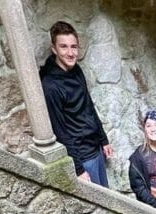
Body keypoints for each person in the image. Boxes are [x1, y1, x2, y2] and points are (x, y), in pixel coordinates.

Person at [39, 21, 113, 186]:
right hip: (82, 157)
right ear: (54, 49)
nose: (71, 53)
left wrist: (103, 139)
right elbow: (60, 130)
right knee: (99, 206)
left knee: (108, 197)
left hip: (95, 149)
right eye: (64, 47)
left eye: (74, 47)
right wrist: (78, 168)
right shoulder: (50, 86)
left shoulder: (77, 70)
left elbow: (88, 105)